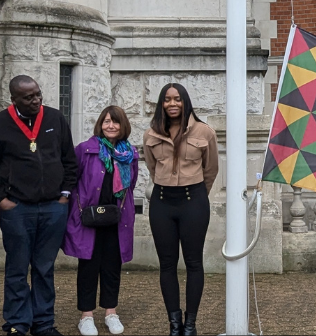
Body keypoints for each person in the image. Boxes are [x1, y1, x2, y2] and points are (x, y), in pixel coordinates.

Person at [0, 75, 77, 336]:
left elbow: (69, 160)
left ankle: (43, 324)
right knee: (17, 268)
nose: (36, 100)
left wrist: (64, 196)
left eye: (38, 94)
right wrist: (3, 201)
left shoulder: (54, 118)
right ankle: (17, 323)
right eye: (29, 97)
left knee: (44, 268)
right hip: (17, 209)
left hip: (53, 208)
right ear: (13, 99)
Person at [143, 83, 219, 336]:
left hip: (193, 200)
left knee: (194, 262)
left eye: (177, 99)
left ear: (185, 101)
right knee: (167, 264)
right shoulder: (151, 134)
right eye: (167, 100)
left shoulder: (204, 131)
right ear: (161, 104)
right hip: (162, 202)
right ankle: (174, 324)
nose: (172, 104)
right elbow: (153, 169)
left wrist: (196, 196)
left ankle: (190, 325)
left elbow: (211, 169)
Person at [63, 106, 139, 336]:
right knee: (88, 266)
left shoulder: (130, 153)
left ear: (122, 125)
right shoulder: (85, 150)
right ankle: (86, 316)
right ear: (100, 124)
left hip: (117, 219)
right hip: (90, 218)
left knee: (112, 266)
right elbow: (72, 179)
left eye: (115, 122)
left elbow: (131, 184)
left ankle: (110, 313)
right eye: (106, 121)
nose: (110, 126)